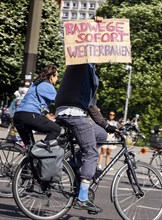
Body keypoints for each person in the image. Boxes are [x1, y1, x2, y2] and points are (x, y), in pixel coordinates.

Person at [55, 63, 116, 214]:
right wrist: (106, 124)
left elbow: (91, 106)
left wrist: (105, 125)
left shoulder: (80, 67)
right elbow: (91, 106)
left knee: (101, 134)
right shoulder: (84, 68)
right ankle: (82, 198)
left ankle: (74, 163)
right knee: (91, 153)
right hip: (74, 114)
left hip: (66, 112)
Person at [13, 65, 61, 144]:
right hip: (29, 116)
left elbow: (41, 106)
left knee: (30, 148)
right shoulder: (48, 86)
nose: (57, 79)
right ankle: (43, 151)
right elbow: (60, 101)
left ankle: (32, 155)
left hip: (18, 116)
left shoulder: (35, 84)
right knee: (56, 129)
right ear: (52, 76)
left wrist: (48, 117)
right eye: (57, 76)